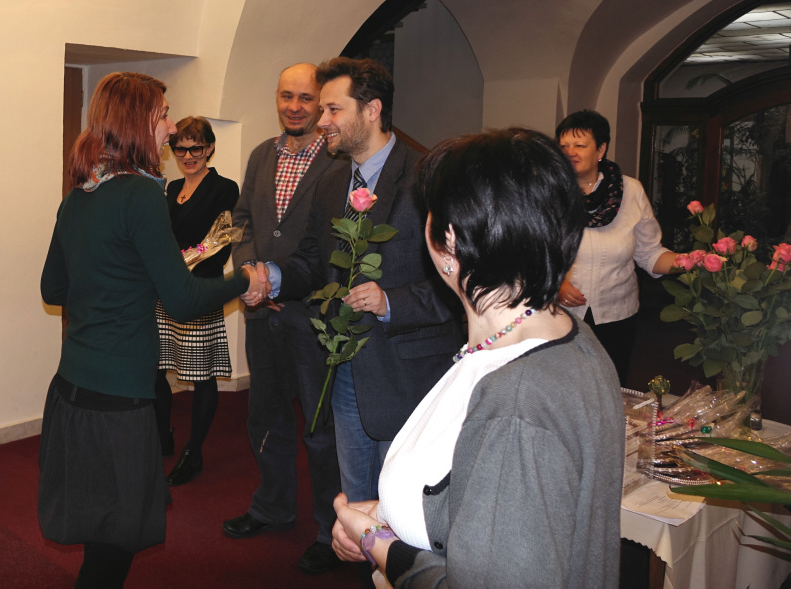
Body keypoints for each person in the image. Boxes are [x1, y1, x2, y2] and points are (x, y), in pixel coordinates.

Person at [331, 127, 626, 588]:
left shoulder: (518, 399)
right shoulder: (560, 335)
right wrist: (393, 512)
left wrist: (377, 542)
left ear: (449, 242)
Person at [38, 72, 264, 588]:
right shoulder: (141, 194)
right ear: (138, 121)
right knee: (114, 544)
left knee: (99, 527)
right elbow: (183, 300)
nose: (170, 128)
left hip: (71, 389)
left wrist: (112, 284)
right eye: (163, 114)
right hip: (119, 399)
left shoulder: (80, 193)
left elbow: (54, 288)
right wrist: (244, 280)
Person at [260, 57, 462, 505]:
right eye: (323, 110)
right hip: (345, 371)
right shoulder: (332, 182)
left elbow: (460, 282)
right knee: (357, 503)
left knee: (403, 509)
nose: (321, 121)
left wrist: (391, 302)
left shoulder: (429, 179)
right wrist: (268, 276)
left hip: (410, 374)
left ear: (372, 110)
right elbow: (313, 264)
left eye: (333, 110)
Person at [221, 63, 347, 574]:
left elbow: (336, 241)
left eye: (305, 98)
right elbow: (241, 222)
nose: (294, 106)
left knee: (321, 428)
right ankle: (272, 507)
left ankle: (330, 529)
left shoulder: (339, 162)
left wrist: (282, 281)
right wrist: (253, 274)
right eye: (285, 96)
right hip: (261, 312)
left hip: (311, 314)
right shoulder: (260, 155)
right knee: (265, 417)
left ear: (321, 102)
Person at [556, 110, 678, 385]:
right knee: (564, 389)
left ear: (601, 149)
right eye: (563, 146)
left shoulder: (630, 191)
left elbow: (650, 253)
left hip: (617, 314)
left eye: (579, 145)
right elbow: (528, 254)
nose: (570, 152)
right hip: (559, 315)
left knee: (611, 388)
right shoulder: (548, 192)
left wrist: (688, 261)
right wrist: (555, 284)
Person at [153, 116, 240, 486]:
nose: (188, 156)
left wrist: (176, 261)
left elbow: (220, 244)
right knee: (155, 367)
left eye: (196, 148)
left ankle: (194, 452)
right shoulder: (171, 188)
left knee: (201, 374)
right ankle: (162, 436)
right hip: (164, 290)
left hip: (200, 289)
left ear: (210, 148)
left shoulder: (224, 188)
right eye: (181, 149)